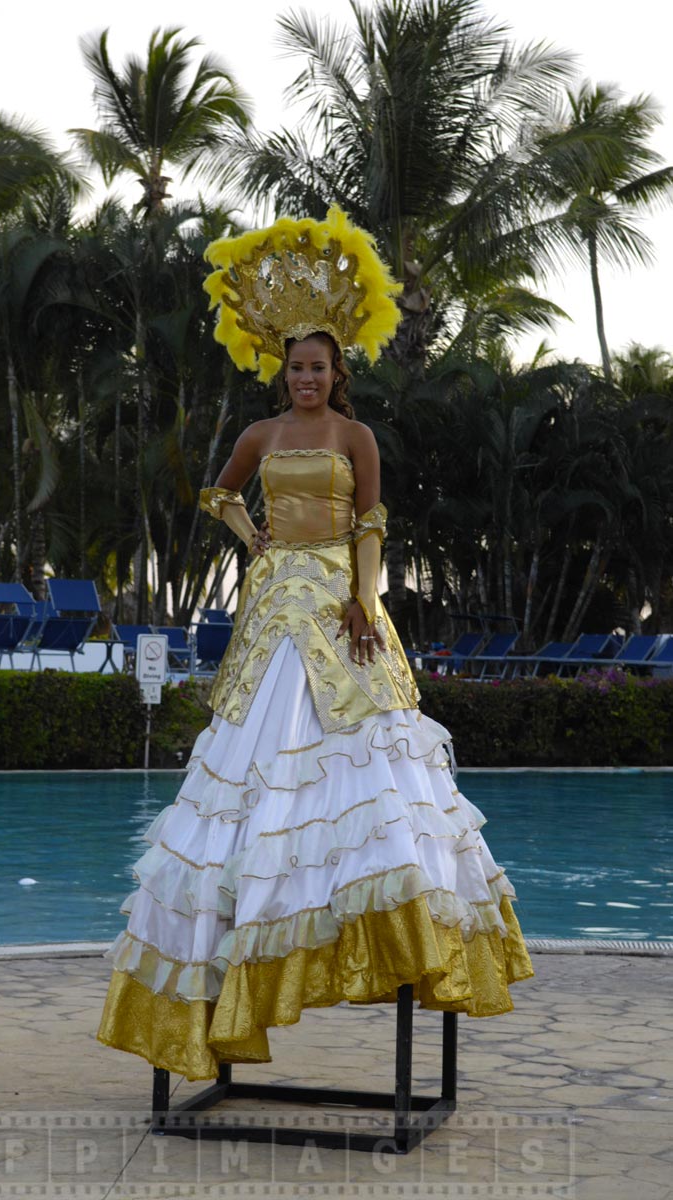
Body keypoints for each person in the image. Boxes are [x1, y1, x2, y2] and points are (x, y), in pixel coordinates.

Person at [97, 207, 533, 1082]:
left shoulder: (353, 436)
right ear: (283, 369)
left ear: (338, 374)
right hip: (270, 606)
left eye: (318, 368)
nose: (305, 378)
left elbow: (371, 519)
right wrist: (250, 541)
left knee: (368, 771)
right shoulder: (259, 436)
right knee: (252, 760)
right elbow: (217, 495)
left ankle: (382, 931)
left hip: (339, 607)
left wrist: (365, 599)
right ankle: (234, 949)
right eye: (295, 366)